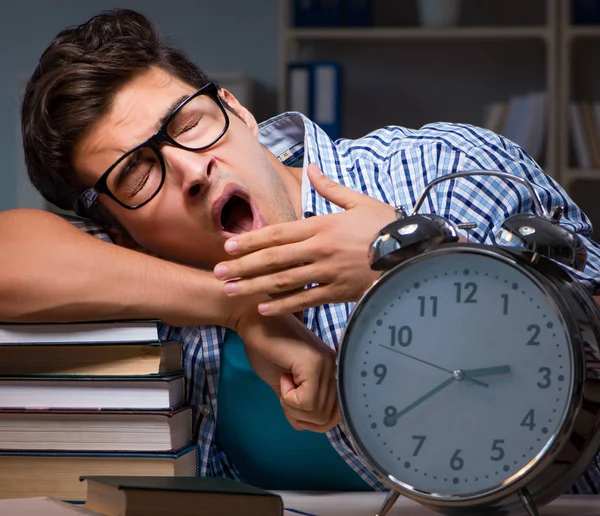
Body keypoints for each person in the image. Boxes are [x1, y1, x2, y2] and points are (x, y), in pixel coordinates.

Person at [7, 7, 600, 493]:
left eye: (188, 124)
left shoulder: (440, 170)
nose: (192, 171)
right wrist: (234, 305)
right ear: (117, 229)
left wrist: (420, 267)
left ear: (238, 111)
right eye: (137, 174)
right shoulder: (143, 276)